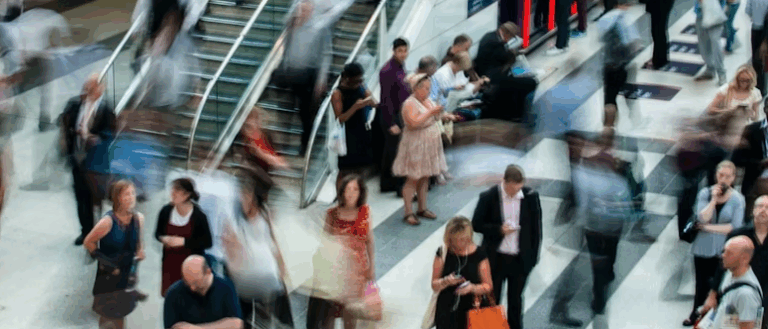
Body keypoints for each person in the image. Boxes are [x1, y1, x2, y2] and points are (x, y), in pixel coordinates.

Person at [471, 164, 542, 329]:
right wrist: (498, 230)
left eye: (519, 189)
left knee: (516, 301)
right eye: (512, 189)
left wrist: (532, 260)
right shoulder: (488, 197)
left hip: (519, 260)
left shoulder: (531, 197)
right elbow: (476, 224)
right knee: (491, 299)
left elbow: (536, 230)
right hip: (495, 259)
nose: (515, 193)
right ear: (505, 182)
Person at [222, 176, 294, 329]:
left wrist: (282, 271)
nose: (243, 200)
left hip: (267, 276)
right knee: (243, 319)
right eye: (241, 196)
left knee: (278, 320)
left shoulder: (266, 215)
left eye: (247, 196)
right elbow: (229, 247)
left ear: (255, 197)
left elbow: (275, 244)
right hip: (244, 278)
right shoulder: (234, 219)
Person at [308, 174, 376, 329]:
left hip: (357, 273)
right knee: (330, 313)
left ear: (361, 192)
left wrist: (372, 267)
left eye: (355, 189)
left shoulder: (365, 211)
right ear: (342, 192)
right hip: (335, 273)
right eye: (348, 189)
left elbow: (370, 240)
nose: (351, 193)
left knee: (350, 313)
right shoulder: (332, 214)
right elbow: (325, 242)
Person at [684, 160, 746, 326]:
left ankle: (713, 317)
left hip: (723, 250)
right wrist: (713, 200)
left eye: (727, 176)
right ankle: (696, 313)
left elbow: (734, 227)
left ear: (733, 178)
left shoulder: (738, 200)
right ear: (716, 175)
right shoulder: (705, 193)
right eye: (720, 175)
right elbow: (702, 216)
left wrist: (707, 228)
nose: (723, 179)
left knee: (717, 286)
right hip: (702, 247)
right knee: (700, 283)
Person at [392, 74, 459, 226]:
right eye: (426, 88)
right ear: (417, 88)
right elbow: (412, 123)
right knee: (413, 178)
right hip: (416, 143)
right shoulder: (409, 103)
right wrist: (431, 112)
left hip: (429, 143)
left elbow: (436, 114)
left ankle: (422, 208)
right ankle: (408, 211)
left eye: (429, 88)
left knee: (425, 176)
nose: (429, 91)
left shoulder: (427, 100)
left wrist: (447, 115)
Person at [61, 76, 116, 246]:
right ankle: (85, 231)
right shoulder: (75, 105)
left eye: (92, 87)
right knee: (80, 196)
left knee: (95, 199)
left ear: (101, 88)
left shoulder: (106, 110)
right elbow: (65, 123)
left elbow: (112, 134)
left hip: (95, 163)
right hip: (77, 158)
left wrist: (96, 138)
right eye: (86, 87)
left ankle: (97, 232)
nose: (88, 90)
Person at [83, 180, 145, 329]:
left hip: (126, 277)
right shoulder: (108, 221)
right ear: (117, 197)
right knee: (107, 317)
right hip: (108, 278)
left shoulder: (139, 219)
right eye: (126, 194)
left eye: (132, 193)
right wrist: (107, 263)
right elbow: (88, 242)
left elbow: (139, 245)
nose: (131, 197)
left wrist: (140, 251)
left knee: (121, 315)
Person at [706, 195, 768, 309]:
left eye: (767, 207)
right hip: (739, 290)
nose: (763, 210)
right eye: (760, 206)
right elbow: (723, 264)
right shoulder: (738, 234)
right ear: (753, 210)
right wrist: (712, 294)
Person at [155, 178, 213, 297]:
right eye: (172, 190)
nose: (173, 193)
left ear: (187, 194)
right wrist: (163, 239)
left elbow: (207, 242)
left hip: (191, 269)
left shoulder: (199, 216)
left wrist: (184, 242)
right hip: (169, 265)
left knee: (189, 297)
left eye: (177, 190)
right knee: (170, 297)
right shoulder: (166, 211)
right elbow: (157, 233)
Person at [432, 216, 493, 329]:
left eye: (462, 239)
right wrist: (446, 281)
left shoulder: (479, 254)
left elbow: (488, 285)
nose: (458, 244)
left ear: (469, 237)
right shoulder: (443, 252)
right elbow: (434, 285)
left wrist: (472, 288)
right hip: (446, 310)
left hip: (473, 309)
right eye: (454, 240)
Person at [697, 236, 763, 329]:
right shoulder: (730, 273)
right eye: (724, 251)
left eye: (729, 253)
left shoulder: (746, 294)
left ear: (744, 258)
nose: (723, 255)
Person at [164, 255, 244, 329]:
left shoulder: (226, 286)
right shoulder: (174, 292)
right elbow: (173, 326)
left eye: (196, 282)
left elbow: (236, 324)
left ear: (208, 272)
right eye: (187, 283)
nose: (192, 288)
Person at [332, 63, 377, 189]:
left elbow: (374, 103)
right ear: (347, 78)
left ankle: (356, 195)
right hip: (347, 135)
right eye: (357, 79)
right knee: (344, 170)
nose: (359, 82)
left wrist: (367, 96)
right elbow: (340, 118)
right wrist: (355, 107)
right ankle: (341, 198)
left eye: (361, 79)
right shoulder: (338, 93)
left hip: (361, 131)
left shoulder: (360, 87)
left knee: (360, 168)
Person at [598, 0, 642, 129]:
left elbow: (601, 39)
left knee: (609, 96)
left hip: (609, 65)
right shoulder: (626, 18)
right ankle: (635, 120)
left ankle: (609, 124)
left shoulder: (604, 19)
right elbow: (634, 43)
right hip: (625, 65)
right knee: (629, 94)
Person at [377, 38, 410, 196]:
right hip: (391, 116)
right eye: (400, 51)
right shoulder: (387, 70)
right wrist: (391, 123)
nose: (403, 54)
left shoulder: (400, 67)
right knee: (396, 152)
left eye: (405, 50)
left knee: (391, 152)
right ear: (394, 51)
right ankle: (398, 186)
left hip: (400, 114)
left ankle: (387, 184)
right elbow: (386, 99)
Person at [733, 98, 768, 218]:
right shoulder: (751, 130)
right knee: (750, 220)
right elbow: (737, 159)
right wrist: (760, 163)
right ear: (765, 110)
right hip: (754, 185)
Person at [695, 0, 728, 85]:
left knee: (716, 45)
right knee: (704, 46)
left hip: (715, 15)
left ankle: (721, 73)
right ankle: (710, 69)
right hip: (700, 14)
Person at [642, 0, 676, 70]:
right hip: (661, 4)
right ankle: (659, 58)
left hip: (659, 4)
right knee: (659, 30)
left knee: (658, 31)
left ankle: (659, 60)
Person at [747, 0, 768, 94]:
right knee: (764, 60)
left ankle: (760, 88)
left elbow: (748, 10)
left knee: (757, 60)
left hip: (756, 28)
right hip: (765, 29)